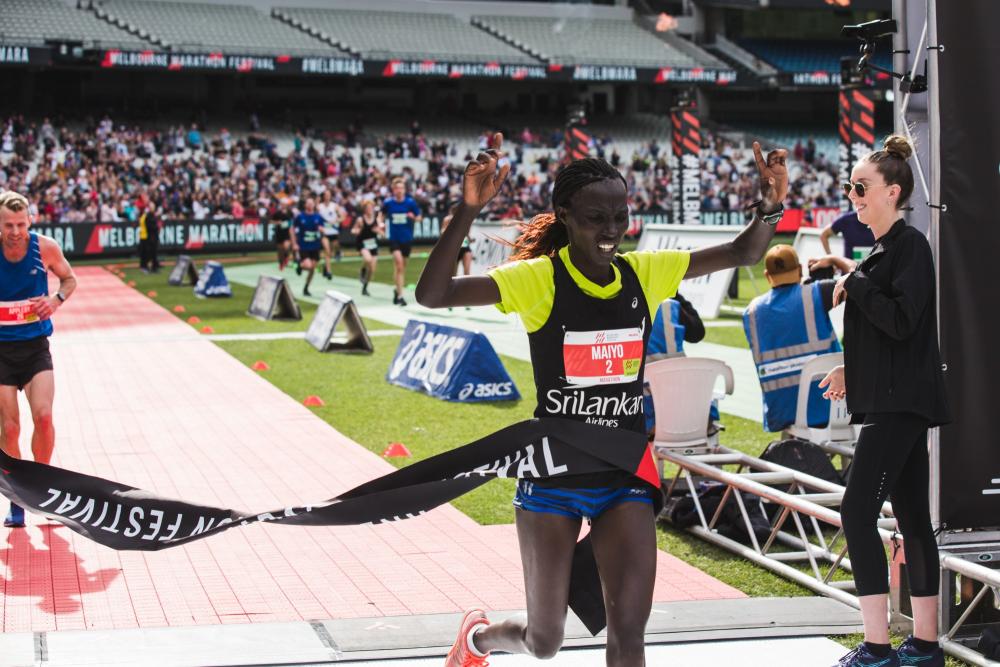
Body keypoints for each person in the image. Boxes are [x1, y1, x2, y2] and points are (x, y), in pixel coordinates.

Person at [416, 133, 787, 666]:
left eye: (621, 216)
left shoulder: (644, 272)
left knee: (628, 633)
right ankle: (477, 640)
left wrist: (770, 206)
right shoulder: (538, 280)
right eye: (596, 218)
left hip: (624, 476)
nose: (611, 230)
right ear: (564, 215)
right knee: (546, 641)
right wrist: (467, 210)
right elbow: (434, 294)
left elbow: (741, 251)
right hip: (554, 481)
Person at [820, 135, 950, 667]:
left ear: (893, 192)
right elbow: (892, 333)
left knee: (856, 513)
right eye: (851, 187)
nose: (853, 196)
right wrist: (849, 368)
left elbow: (902, 321)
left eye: (861, 187)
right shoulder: (882, 252)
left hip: (899, 405)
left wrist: (854, 281)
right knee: (914, 516)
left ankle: (878, 649)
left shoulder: (908, 246)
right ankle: (923, 646)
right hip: (890, 400)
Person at [0, 191, 77, 528]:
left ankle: (42, 493)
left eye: (20, 224)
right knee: (10, 427)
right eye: (8, 225)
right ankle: (17, 500)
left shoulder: (44, 247)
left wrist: (56, 299)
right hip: (1, 351)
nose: (15, 231)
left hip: (34, 347)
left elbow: (69, 278)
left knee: (44, 418)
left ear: (30, 221)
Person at [742, 244, 843, 433]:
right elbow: (862, 281)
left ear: (766, 275)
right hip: (830, 407)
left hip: (782, 413)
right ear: (799, 270)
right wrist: (836, 260)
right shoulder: (817, 293)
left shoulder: (750, 312)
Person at [643, 292, 707, 436]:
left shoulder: (622, 303)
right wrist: (675, 293)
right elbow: (697, 333)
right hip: (686, 407)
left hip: (645, 412)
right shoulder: (671, 305)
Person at [382, 177, 422, 306]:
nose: (399, 190)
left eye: (401, 188)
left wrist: (413, 217)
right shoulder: (388, 203)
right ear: (393, 190)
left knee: (401, 268)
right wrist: (380, 223)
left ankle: (396, 289)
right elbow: (380, 215)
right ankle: (400, 296)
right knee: (399, 265)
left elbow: (419, 217)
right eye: (397, 188)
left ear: (404, 190)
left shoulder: (410, 203)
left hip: (407, 239)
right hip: (394, 239)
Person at [291, 197, 324, 297]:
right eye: (308, 203)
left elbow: (322, 228)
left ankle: (306, 287)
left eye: (312, 203)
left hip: (315, 246)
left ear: (314, 205)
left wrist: (321, 230)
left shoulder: (318, 217)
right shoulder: (300, 216)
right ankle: (298, 265)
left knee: (313, 268)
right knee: (308, 266)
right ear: (305, 205)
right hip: (304, 246)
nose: (310, 205)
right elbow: (292, 228)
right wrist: (294, 243)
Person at [352, 199, 383, 297]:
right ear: (364, 209)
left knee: (372, 270)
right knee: (368, 259)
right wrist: (357, 231)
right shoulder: (360, 219)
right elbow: (353, 230)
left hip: (373, 245)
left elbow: (382, 233)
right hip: (363, 244)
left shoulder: (377, 219)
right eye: (368, 208)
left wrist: (378, 231)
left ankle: (365, 287)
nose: (370, 209)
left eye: (371, 207)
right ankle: (362, 269)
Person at [318, 189, 343, 280]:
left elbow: (342, 217)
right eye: (326, 195)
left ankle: (326, 266)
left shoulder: (334, 206)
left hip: (333, 231)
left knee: (331, 252)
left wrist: (336, 221)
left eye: (329, 195)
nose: (327, 196)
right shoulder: (319, 207)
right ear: (323, 196)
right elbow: (316, 218)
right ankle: (329, 271)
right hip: (324, 232)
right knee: (327, 251)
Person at [137, 197, 161, 274]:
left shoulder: (147, 215)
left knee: (150, 253)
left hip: (148, 236)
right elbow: (150, 226)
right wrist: (157, 227)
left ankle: (153, 266)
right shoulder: (147, 215)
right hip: (147, 237)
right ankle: (146, 267)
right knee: (147, 253)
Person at [270, 198, 294, 271]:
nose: (283, 205)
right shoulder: (277, 213)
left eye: (284, 204)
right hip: (279, 233)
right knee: (280, 250)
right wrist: (277, 222)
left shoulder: (290, 213)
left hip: (287, 233)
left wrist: (290, 225)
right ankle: (281, 263)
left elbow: (292, 222)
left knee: (286, 246)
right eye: (282, 204)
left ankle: (286, 257)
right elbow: (271, 221)